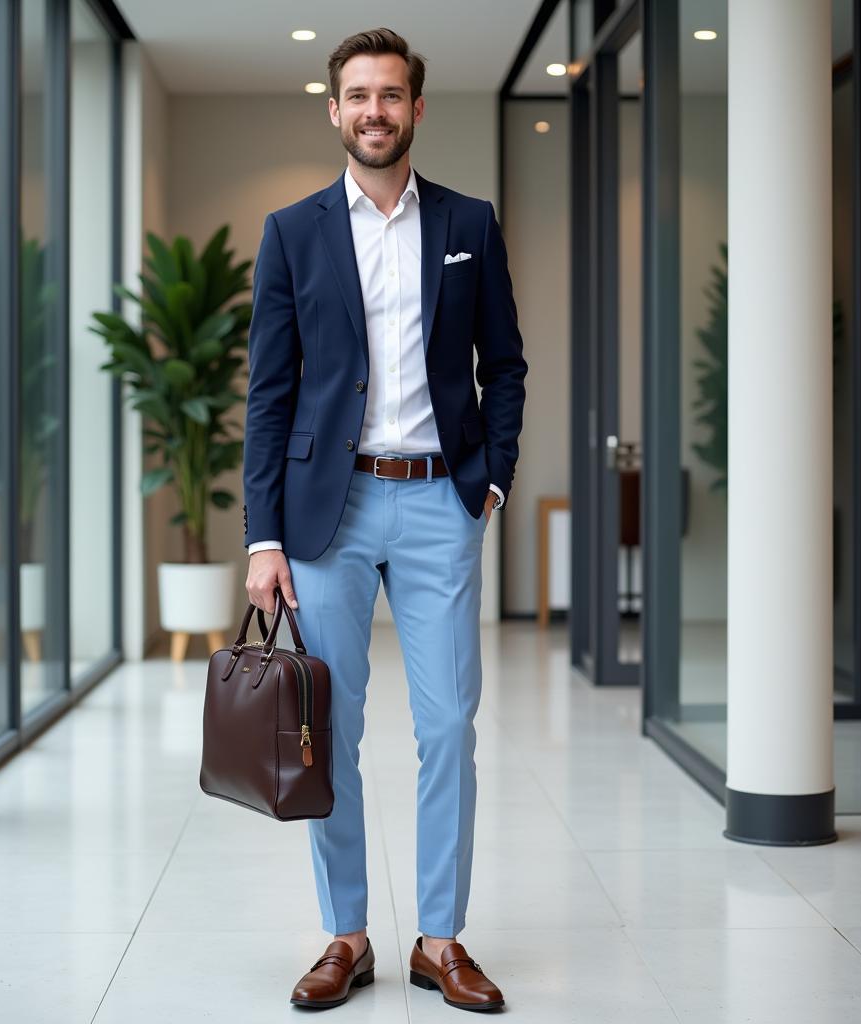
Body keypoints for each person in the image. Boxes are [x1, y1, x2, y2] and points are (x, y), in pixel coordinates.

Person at [243, 26, 526, 1013]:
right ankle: (347, 933)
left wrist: (491, 478)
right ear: (334, 109)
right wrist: (262, 536)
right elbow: (269, 394)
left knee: (449, 726)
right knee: (330, 729)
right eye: (356, 95)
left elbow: (507, 363)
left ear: (414, 107)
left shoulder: (468, 221)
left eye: (391, 95)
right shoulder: (293, 232)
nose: (374, 111)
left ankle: (439, 937)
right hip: (330, 509)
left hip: (442, 499)